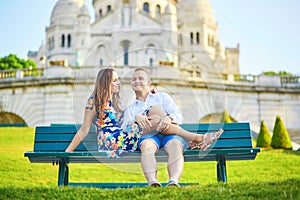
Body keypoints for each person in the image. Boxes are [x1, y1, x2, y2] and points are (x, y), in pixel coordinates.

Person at [123, 67, 223, 187]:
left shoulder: (162, 97)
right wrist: (136, 118)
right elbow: (125, 127)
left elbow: (177, 116)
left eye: (141, 78)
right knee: (146, 146)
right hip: (148, 136)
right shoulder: (131, 108)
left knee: (175, 145)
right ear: (131, 84)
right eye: (134, 79)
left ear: (149, 82)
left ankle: (173, 181)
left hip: (170, 134)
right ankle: (153, 181)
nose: (137, 81)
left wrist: (168, 118)